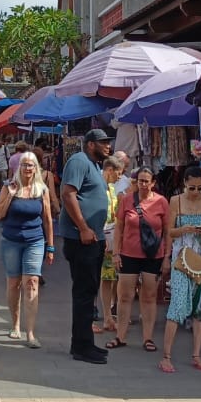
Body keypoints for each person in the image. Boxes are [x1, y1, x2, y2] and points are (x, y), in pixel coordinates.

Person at [60, 128, 113, 364]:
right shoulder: (79, 161)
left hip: (93, 238)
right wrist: (83, 227)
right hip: (81, 239)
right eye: (103, 142)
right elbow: (68, 194)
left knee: (89, 292)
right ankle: (81, 347)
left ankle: (85, 342)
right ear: (90, 144)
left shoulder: (94, 165)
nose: (108, 146)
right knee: (84, 293)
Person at [160, 162, 201, 374]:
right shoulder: (175, 201)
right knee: (177, 305)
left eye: (200, 188)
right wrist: (182, 230)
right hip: (181, 259)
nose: (195, 192)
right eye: (191, 188)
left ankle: (196, 355)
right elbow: (169, 231)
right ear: (184, 184)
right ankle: (166, 356)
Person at [0, 150, 53, 346]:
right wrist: (10, 196)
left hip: (35, 241)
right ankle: (15, 324)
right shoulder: (8, 187)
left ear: (36, 168)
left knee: (32, 283)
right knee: (14, 283)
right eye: (24, 164)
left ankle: (31, 333)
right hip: (11, 241)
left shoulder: (42, 190)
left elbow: (47, 219)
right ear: (19, 167)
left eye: (31, 165)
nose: (27, 168)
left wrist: (51, 246)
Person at [109, 166, 169, 353]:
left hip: (153, 255)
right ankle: (120, 336)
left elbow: (168, 232)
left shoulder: (161, 202)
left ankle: (148, 338)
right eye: (139, 181)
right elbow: (119, 228)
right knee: (124, 296)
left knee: (149, 297)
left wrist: (167, 257)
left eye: (146, 181)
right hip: (129, 253)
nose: (142, 184)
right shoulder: (127, 200)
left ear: (153, 183)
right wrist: (116, 253)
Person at [97, 152, 128, 334]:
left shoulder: (111, 188)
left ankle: (108, 316)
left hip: (112, 238)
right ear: (110, 170)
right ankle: (102, 315)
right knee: (101, 278)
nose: (120, 177)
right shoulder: (98, 188)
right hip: (102, 238)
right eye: (118, 173)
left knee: (109, 278)